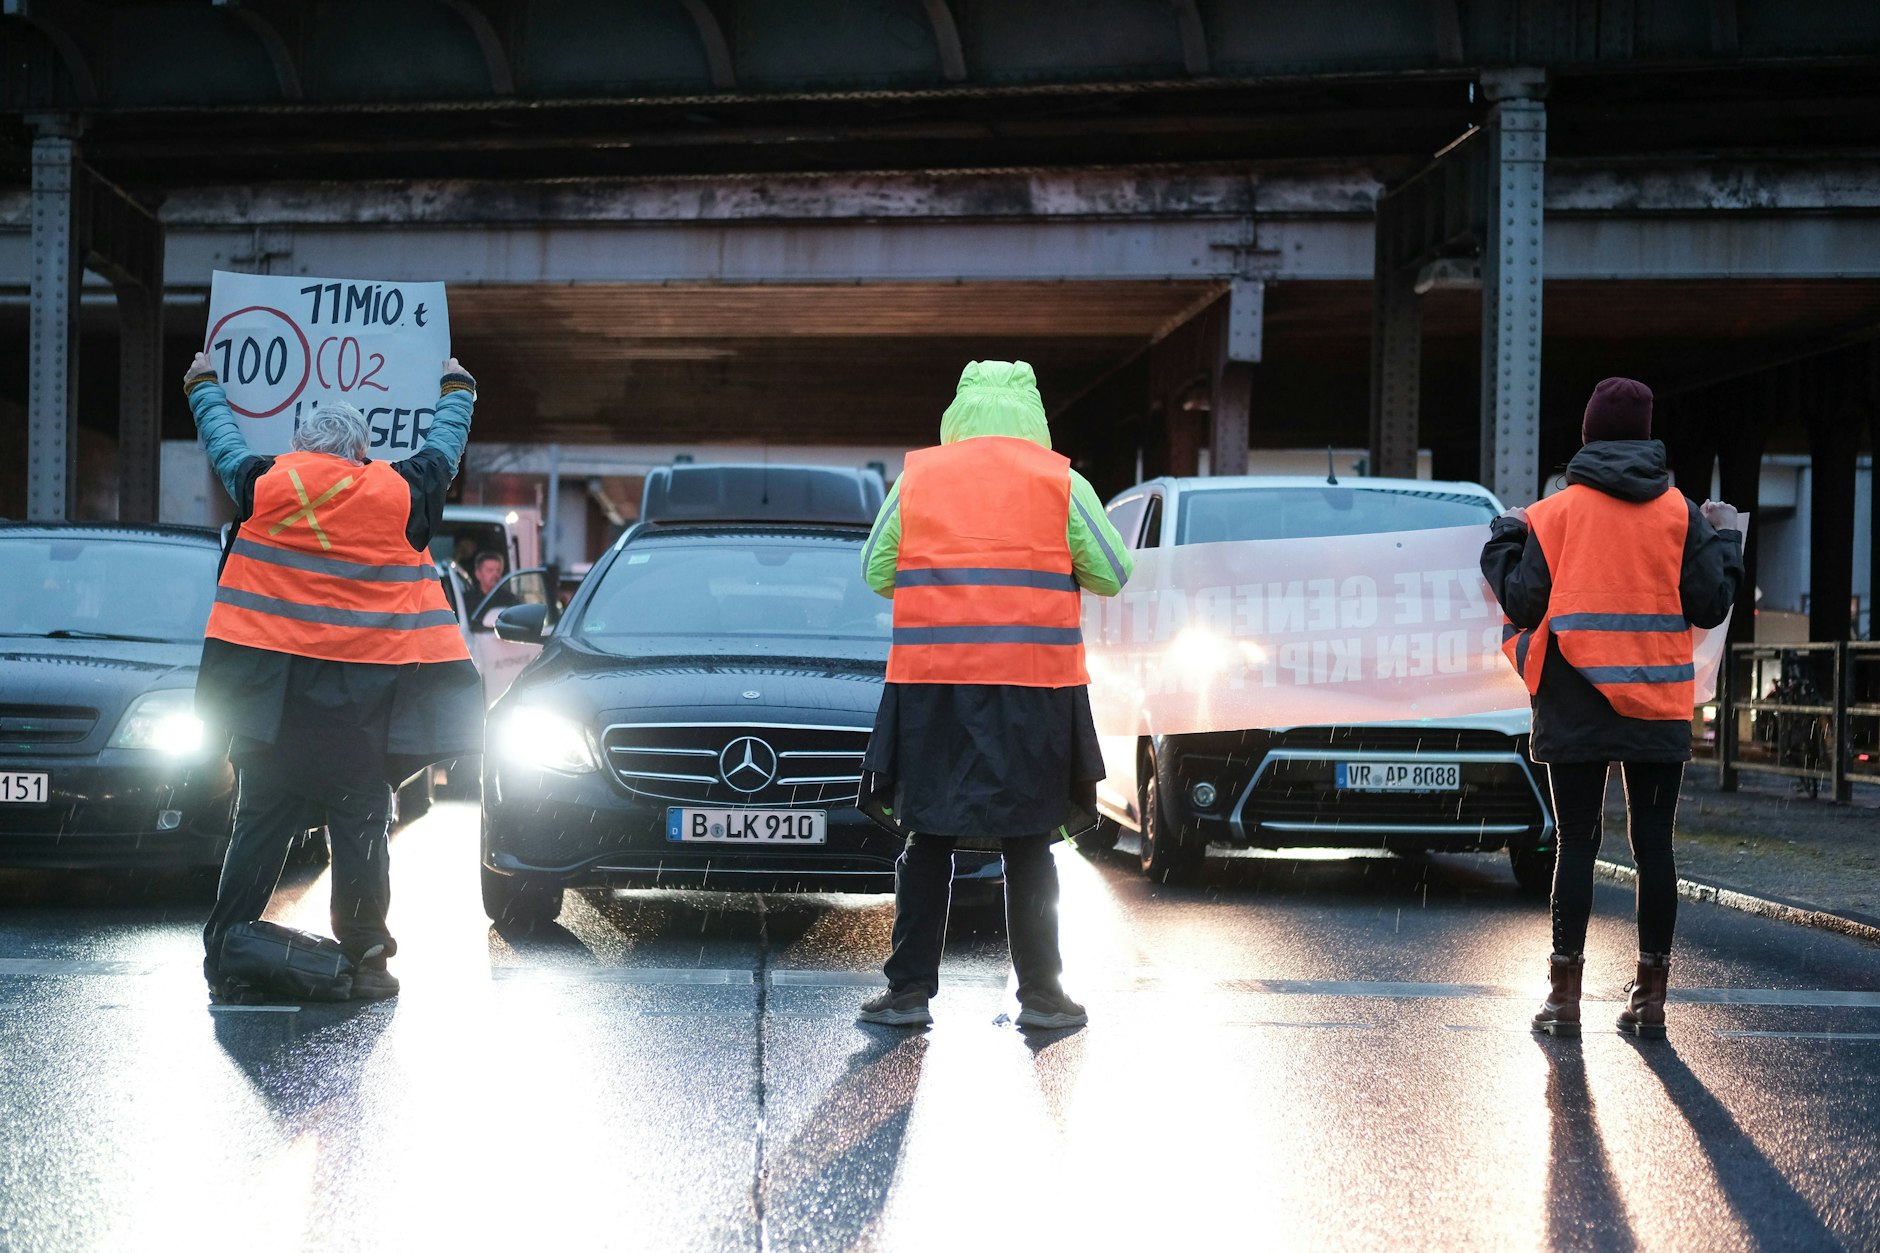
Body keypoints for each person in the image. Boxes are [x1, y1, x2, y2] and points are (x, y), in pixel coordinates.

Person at [185, 353, 485, 1001]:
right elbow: (443, 449)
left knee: (256, 831)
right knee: (360, 835)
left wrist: (203, 381)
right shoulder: (396, 492)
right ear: (359, 449)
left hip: (275, 713)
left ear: (299, 447)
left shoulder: (265, 485)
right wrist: (457, 386)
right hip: (362, 717)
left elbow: (223, 438)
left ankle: (224, 954)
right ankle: (367, 958)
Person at [855, 360, 1133, 1030]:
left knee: (928, 840)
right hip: (1033, 688)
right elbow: (1114, 571)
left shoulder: (921, 479)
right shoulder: (1059, 481)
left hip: (934, 687)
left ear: (958, 411)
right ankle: (1042, 996)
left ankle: (908, 991)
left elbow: (875, 571)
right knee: (1028, 841)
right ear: (1033, 414)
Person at [1482, 377, 1742, 1040]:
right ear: (1648, 438)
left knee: (1577, 842)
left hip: (1574, 702)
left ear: (1588, 437)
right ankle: (1651, 999)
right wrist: (1725, 541)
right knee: (1655, 845)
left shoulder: (1555, 514)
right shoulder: (1680, 514)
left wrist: (1505, 537)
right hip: (1656, 704)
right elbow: (1711, 606)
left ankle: (1564, 998)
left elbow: (1521, 602)